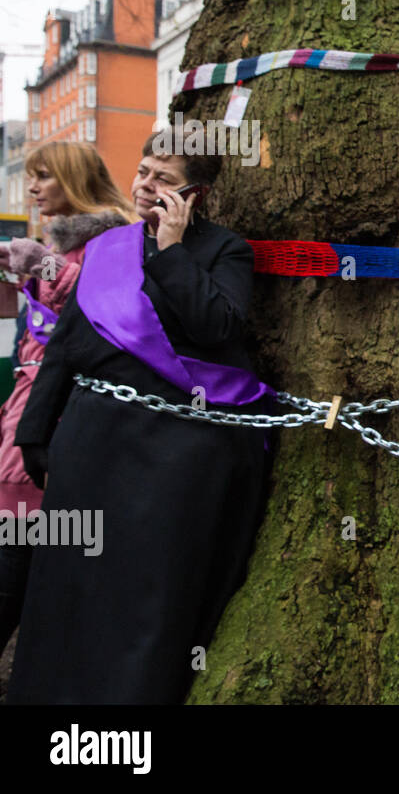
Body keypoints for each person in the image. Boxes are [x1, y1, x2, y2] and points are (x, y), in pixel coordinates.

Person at [5, 131, 273, 704]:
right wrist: (35, 434)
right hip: (91, 440)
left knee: (142, 595)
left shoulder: (225, 250)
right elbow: (67, 346)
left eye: (165, 180)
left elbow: (218, 326)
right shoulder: (109, 247)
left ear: (195, 194)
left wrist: (174, 251)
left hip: (172, 455)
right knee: (68, 586)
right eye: (144, 171)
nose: (146, 186)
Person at [0, 142, 134, 655]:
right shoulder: (57, 240)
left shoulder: (111, 237)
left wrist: (44, 268)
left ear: (74, 179)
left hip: (58, 406)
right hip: (30, 398)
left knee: (20, 531)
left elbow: (108, 310)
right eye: (31, 176)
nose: (33, 187)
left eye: (44, 176)